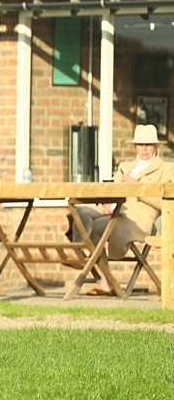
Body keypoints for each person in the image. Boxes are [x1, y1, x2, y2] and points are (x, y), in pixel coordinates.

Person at [68, 124, 172, 295]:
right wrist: (107, 203)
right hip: (117, 213)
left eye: (148, 144)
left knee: (102, 228)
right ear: (134, 146)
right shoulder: (126, 166)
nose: (144, 148)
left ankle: (102, 278)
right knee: (82, 214)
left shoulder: (166, 168)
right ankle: (81, 254)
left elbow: (165, 202)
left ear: (156, 145)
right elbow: (112, 191)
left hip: (139, 219)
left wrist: (137, 188)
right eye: (140, 144)